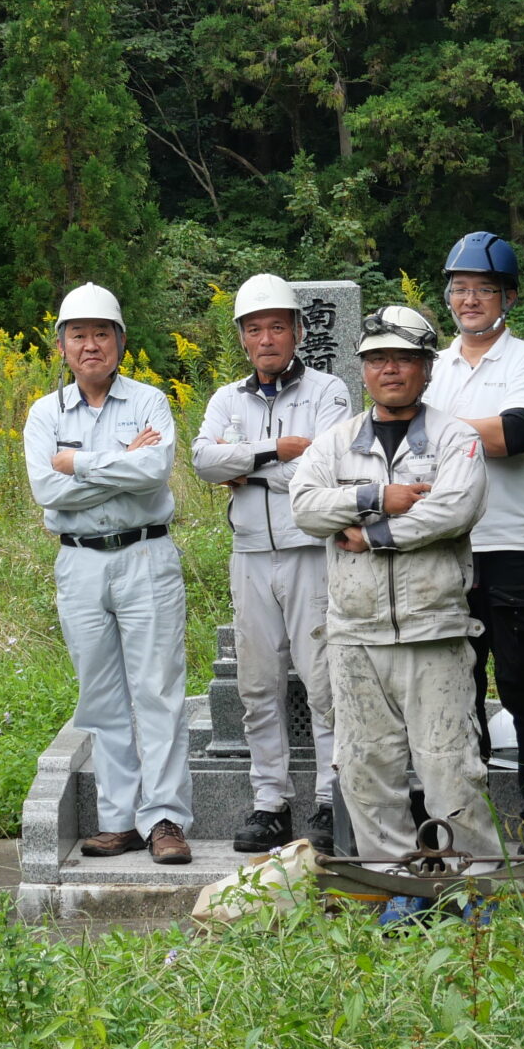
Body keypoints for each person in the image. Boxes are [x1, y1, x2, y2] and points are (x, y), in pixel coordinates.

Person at [289, 304, 500, 919]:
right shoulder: (335, 442)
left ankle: (473, 889)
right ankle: (397, 889)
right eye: (378, 358)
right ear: (363, 370)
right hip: (355, 634)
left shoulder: (455, 437)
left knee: (450, 768)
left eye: (404, 358)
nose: (391, 370)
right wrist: (379, 498)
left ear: (426, 368)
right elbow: (305, 506)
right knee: (364, 768)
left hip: (433, 629)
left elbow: (454, 510)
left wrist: (376, 534)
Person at [24, 283, 195, 866]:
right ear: (62, 346)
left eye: (102, 333)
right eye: (79, 335)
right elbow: (46, 488)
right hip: (79, 561)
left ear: (120, 341)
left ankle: (165, 817)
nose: (90, 344)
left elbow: (155, 471)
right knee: (101, 695)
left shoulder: (149, 402)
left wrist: (79, 464)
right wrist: (120, 464)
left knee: (157, 688)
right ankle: (119, 819)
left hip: (146, 556)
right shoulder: (45, 412)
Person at [192, 273, 351, 853]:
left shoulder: (329, 391)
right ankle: (270, 802)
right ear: (242, 337)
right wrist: (273, 452)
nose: (266, 338)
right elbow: (204, 462)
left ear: (298, 331)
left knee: (323, 681)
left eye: (277, 326)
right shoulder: (226, 399)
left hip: (311, 551)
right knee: (258, 686)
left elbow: (325, 470)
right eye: (254, 328)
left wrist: (246, 470)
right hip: (250, 556)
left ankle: (332, 800)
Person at [424, 231, 524, 853]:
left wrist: (424, 430)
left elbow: (511, 435)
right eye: (460, 289)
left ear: (509, 295)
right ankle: (468, 818)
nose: (471, 300)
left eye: (484, 289)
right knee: (454, 691)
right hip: (445, 547)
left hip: (516, 545)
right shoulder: (432, 365)